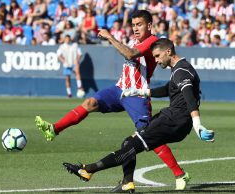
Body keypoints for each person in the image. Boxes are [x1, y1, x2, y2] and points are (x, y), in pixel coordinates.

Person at [35, 10, 188, 191]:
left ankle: (179, 174)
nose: (135, 28)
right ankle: (55, 129)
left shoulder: (152, 42)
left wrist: (110, 37)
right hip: (119, 89)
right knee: (90, 103)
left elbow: (130, 54)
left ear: (149, 26)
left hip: (136, 95)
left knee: (147, 135)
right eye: (133, 25)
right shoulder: (134, 40)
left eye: (139, 25)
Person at [62, 38, 215, 193]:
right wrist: (140, 91)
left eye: (157, 56)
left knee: (131, 147)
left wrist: (197, 123)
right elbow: (168, 89)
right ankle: (127, 182)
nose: (155, 60)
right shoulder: (180, 68)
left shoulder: (181, 71)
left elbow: (189, 97)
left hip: (173, 120)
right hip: (176, 121)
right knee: (128, 142)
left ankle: (88, 170)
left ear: (168, 52)